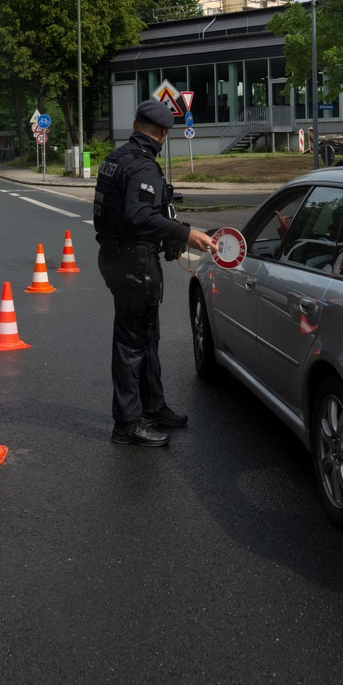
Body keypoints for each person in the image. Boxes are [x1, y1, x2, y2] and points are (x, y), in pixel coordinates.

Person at [94, 99, 217, 447]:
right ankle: (128, 424)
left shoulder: (115, 159)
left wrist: (171, 228)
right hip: (134, 263)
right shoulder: (144, 167)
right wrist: (185, 234)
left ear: (135, 125)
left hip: (118, 257)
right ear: (163, 133)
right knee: (133, 344)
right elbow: (139, 216)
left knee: (146, 337)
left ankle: (153, 406)